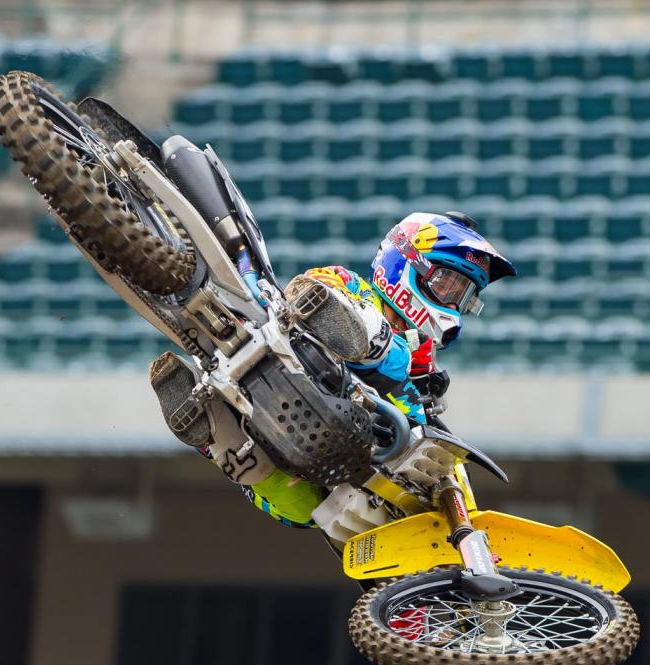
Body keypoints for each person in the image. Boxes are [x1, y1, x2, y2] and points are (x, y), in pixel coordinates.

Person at [149, 211, 515, 528]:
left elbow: (411, 432)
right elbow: (307, 289)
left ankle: (212, 424)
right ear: (407, 260)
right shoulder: (357, 289)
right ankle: (355, 335)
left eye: (463, 294)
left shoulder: (424, 381)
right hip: (302, 349)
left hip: (311, 445)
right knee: (394, 354)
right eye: (447, 283)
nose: (453, 301)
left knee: (304, 509)